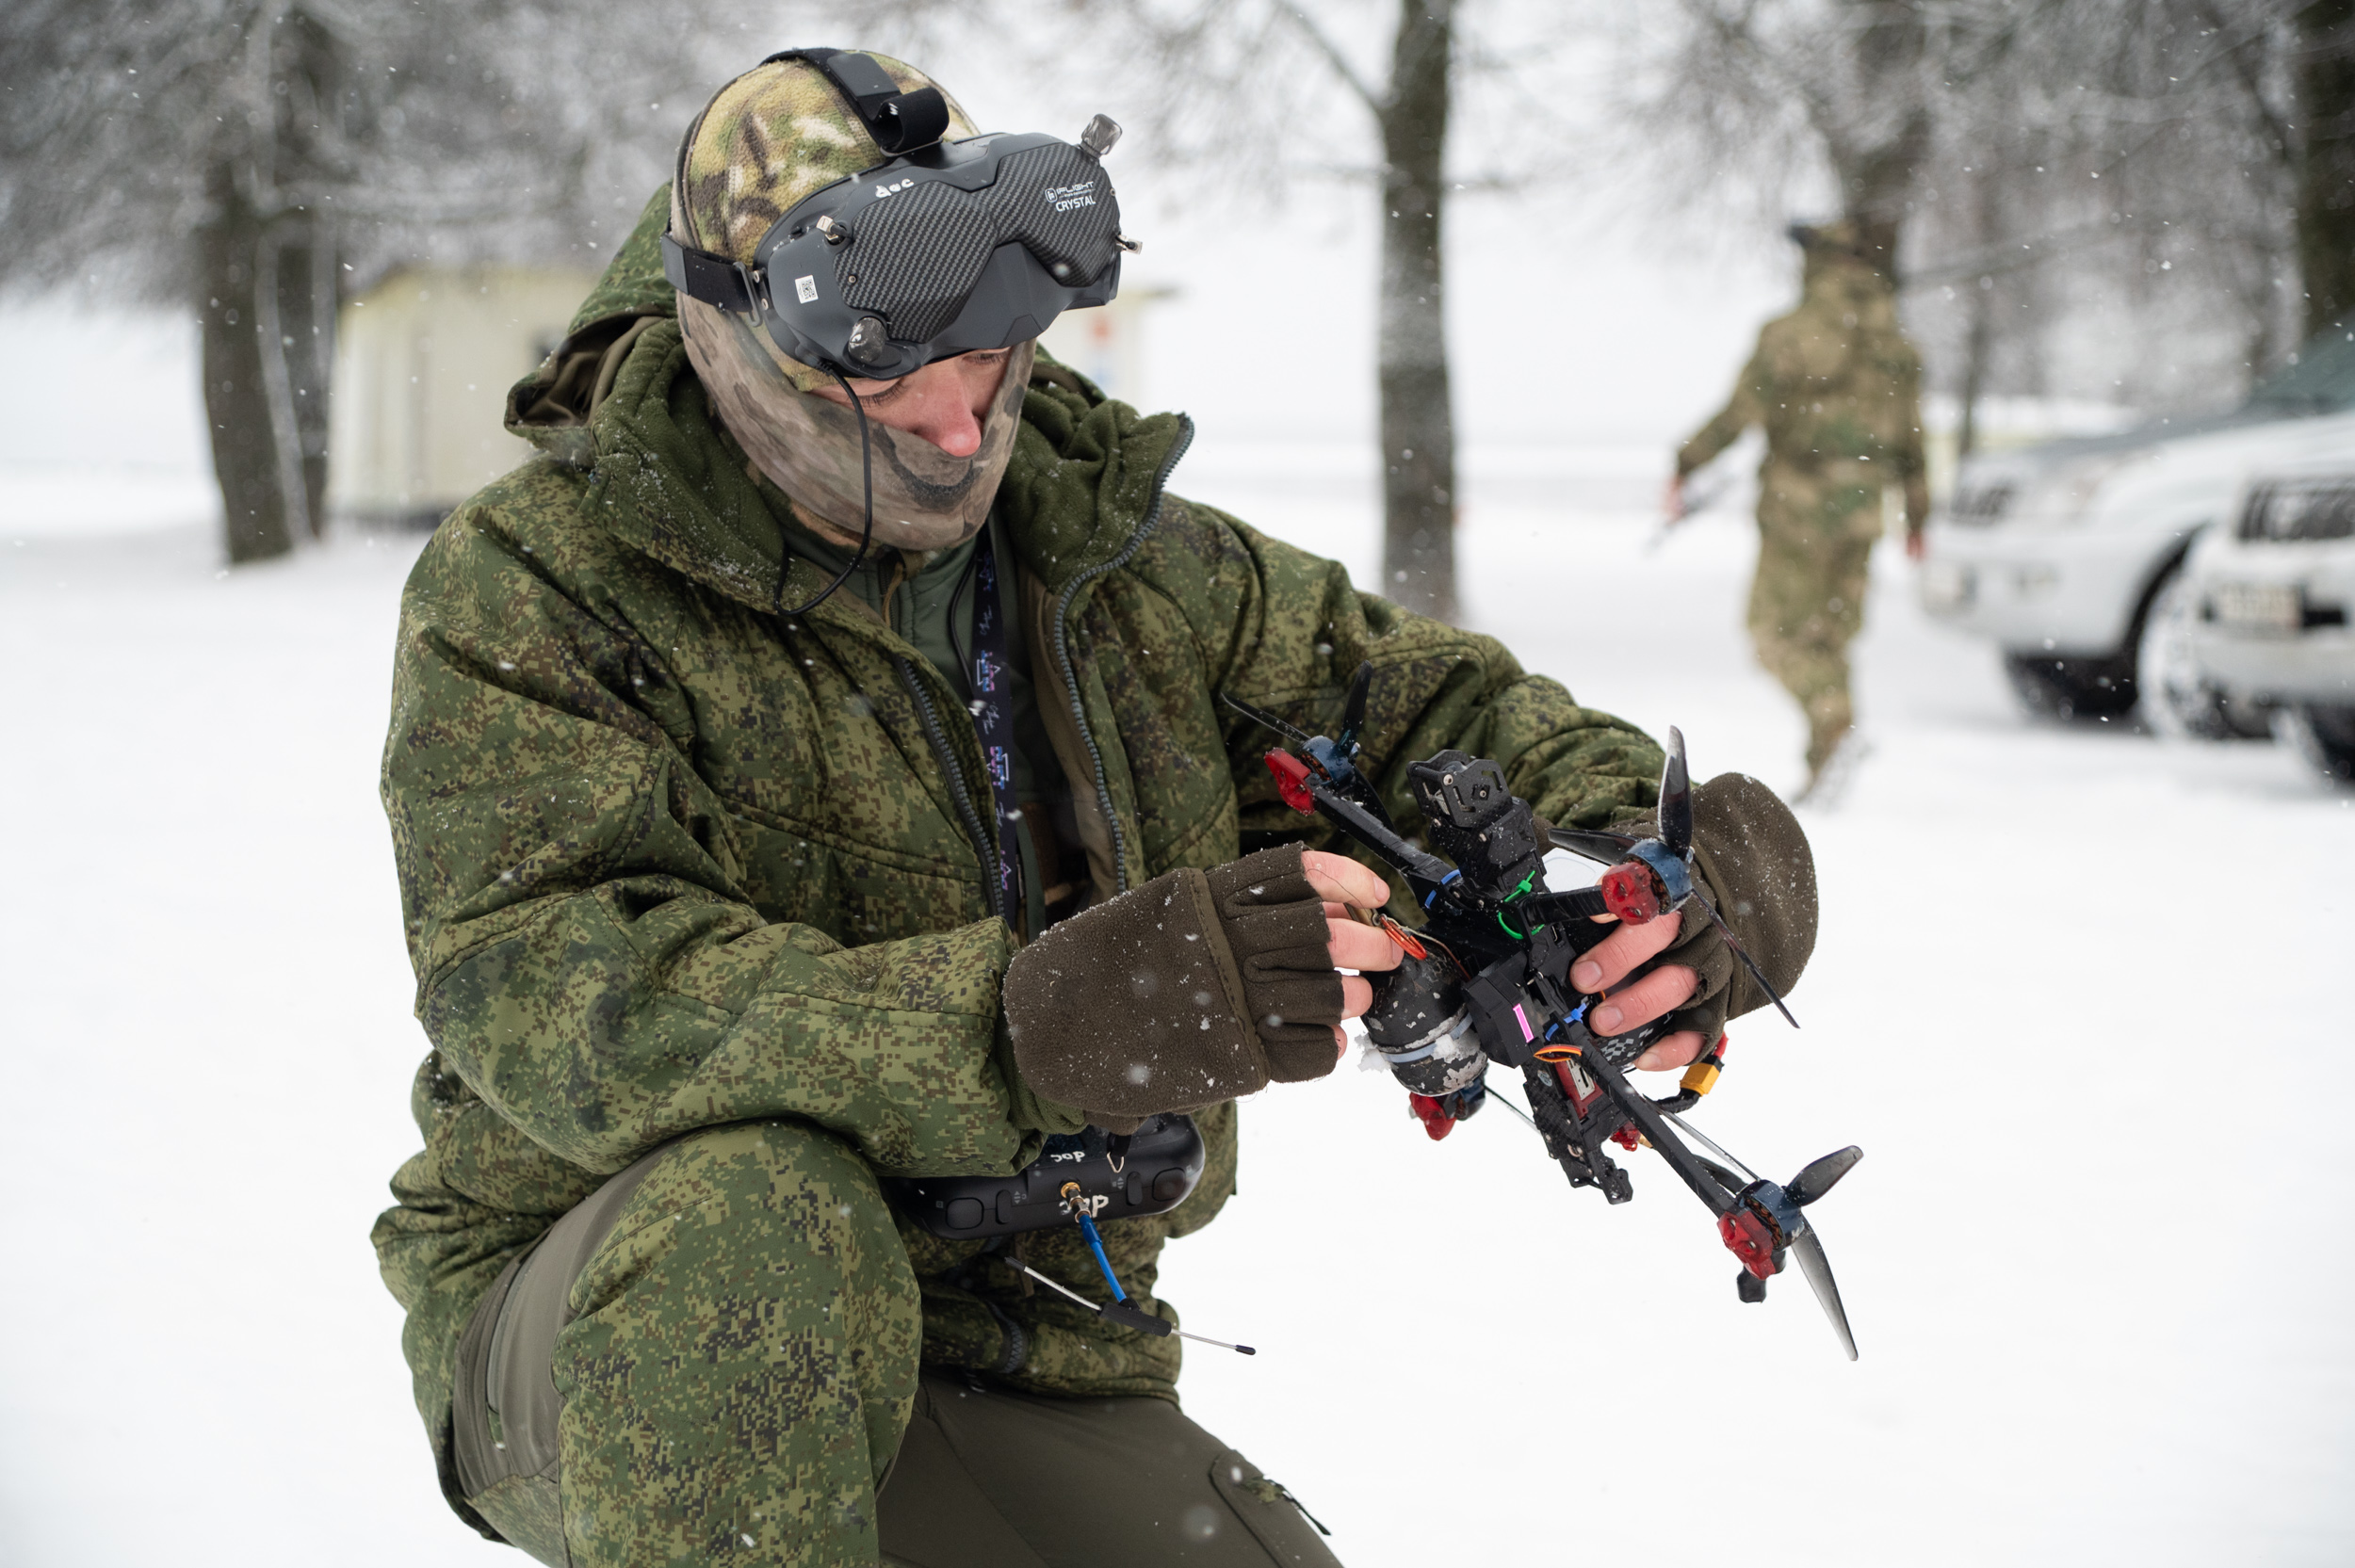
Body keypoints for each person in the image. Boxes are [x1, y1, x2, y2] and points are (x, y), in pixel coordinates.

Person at [371, 49, 1820, 1568]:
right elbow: (556, 994)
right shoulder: (539, 585)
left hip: (1029, 1326)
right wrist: (1037, 1022)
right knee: (756, 1212)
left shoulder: (1124, 557)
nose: (958, 424)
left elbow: (1434, 712)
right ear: (731, 339)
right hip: (613, 1321)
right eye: (891, 374)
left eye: (992, 357)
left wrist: (1681, 866)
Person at [1666, 220, 1929, 798]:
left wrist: (1685, 462)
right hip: (1865, 511)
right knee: (1829, 638)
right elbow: (1913, 439)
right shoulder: (1897, 348)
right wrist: (1918, 516)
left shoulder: (1789, 333)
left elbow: (1739, 415)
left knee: (1773, 636)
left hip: (1797, 511)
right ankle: (1829, 755)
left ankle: (1835, 724)